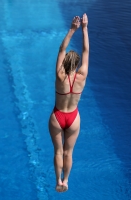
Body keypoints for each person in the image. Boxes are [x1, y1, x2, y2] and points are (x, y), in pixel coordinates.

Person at [49, 13, 89, 192]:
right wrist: (85, 28)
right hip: (73, 118)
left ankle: (57, 180)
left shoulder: (59, 76)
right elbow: (86, 51)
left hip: (57, 117)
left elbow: (61, 49)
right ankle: (66, 181)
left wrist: (72, 29)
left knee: (58, 152)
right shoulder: (82, 76)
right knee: (68, 152)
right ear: (78, 64)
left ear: (65, 63)